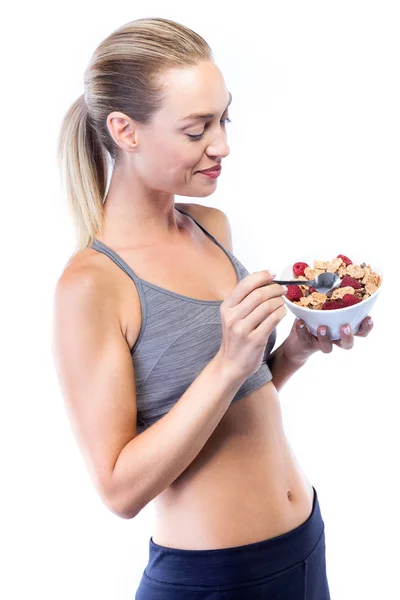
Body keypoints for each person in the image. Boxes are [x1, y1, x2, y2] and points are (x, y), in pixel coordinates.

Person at [52, 17, 374, 599]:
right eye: (197, 129)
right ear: (125, 130)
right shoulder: (92, 284)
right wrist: (228, 361)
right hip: (214, 582)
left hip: (305, 547)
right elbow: (119, 491)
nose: (222, 145)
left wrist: (293, 351)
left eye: (223, 119)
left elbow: (234, 406)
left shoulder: (210, 227)